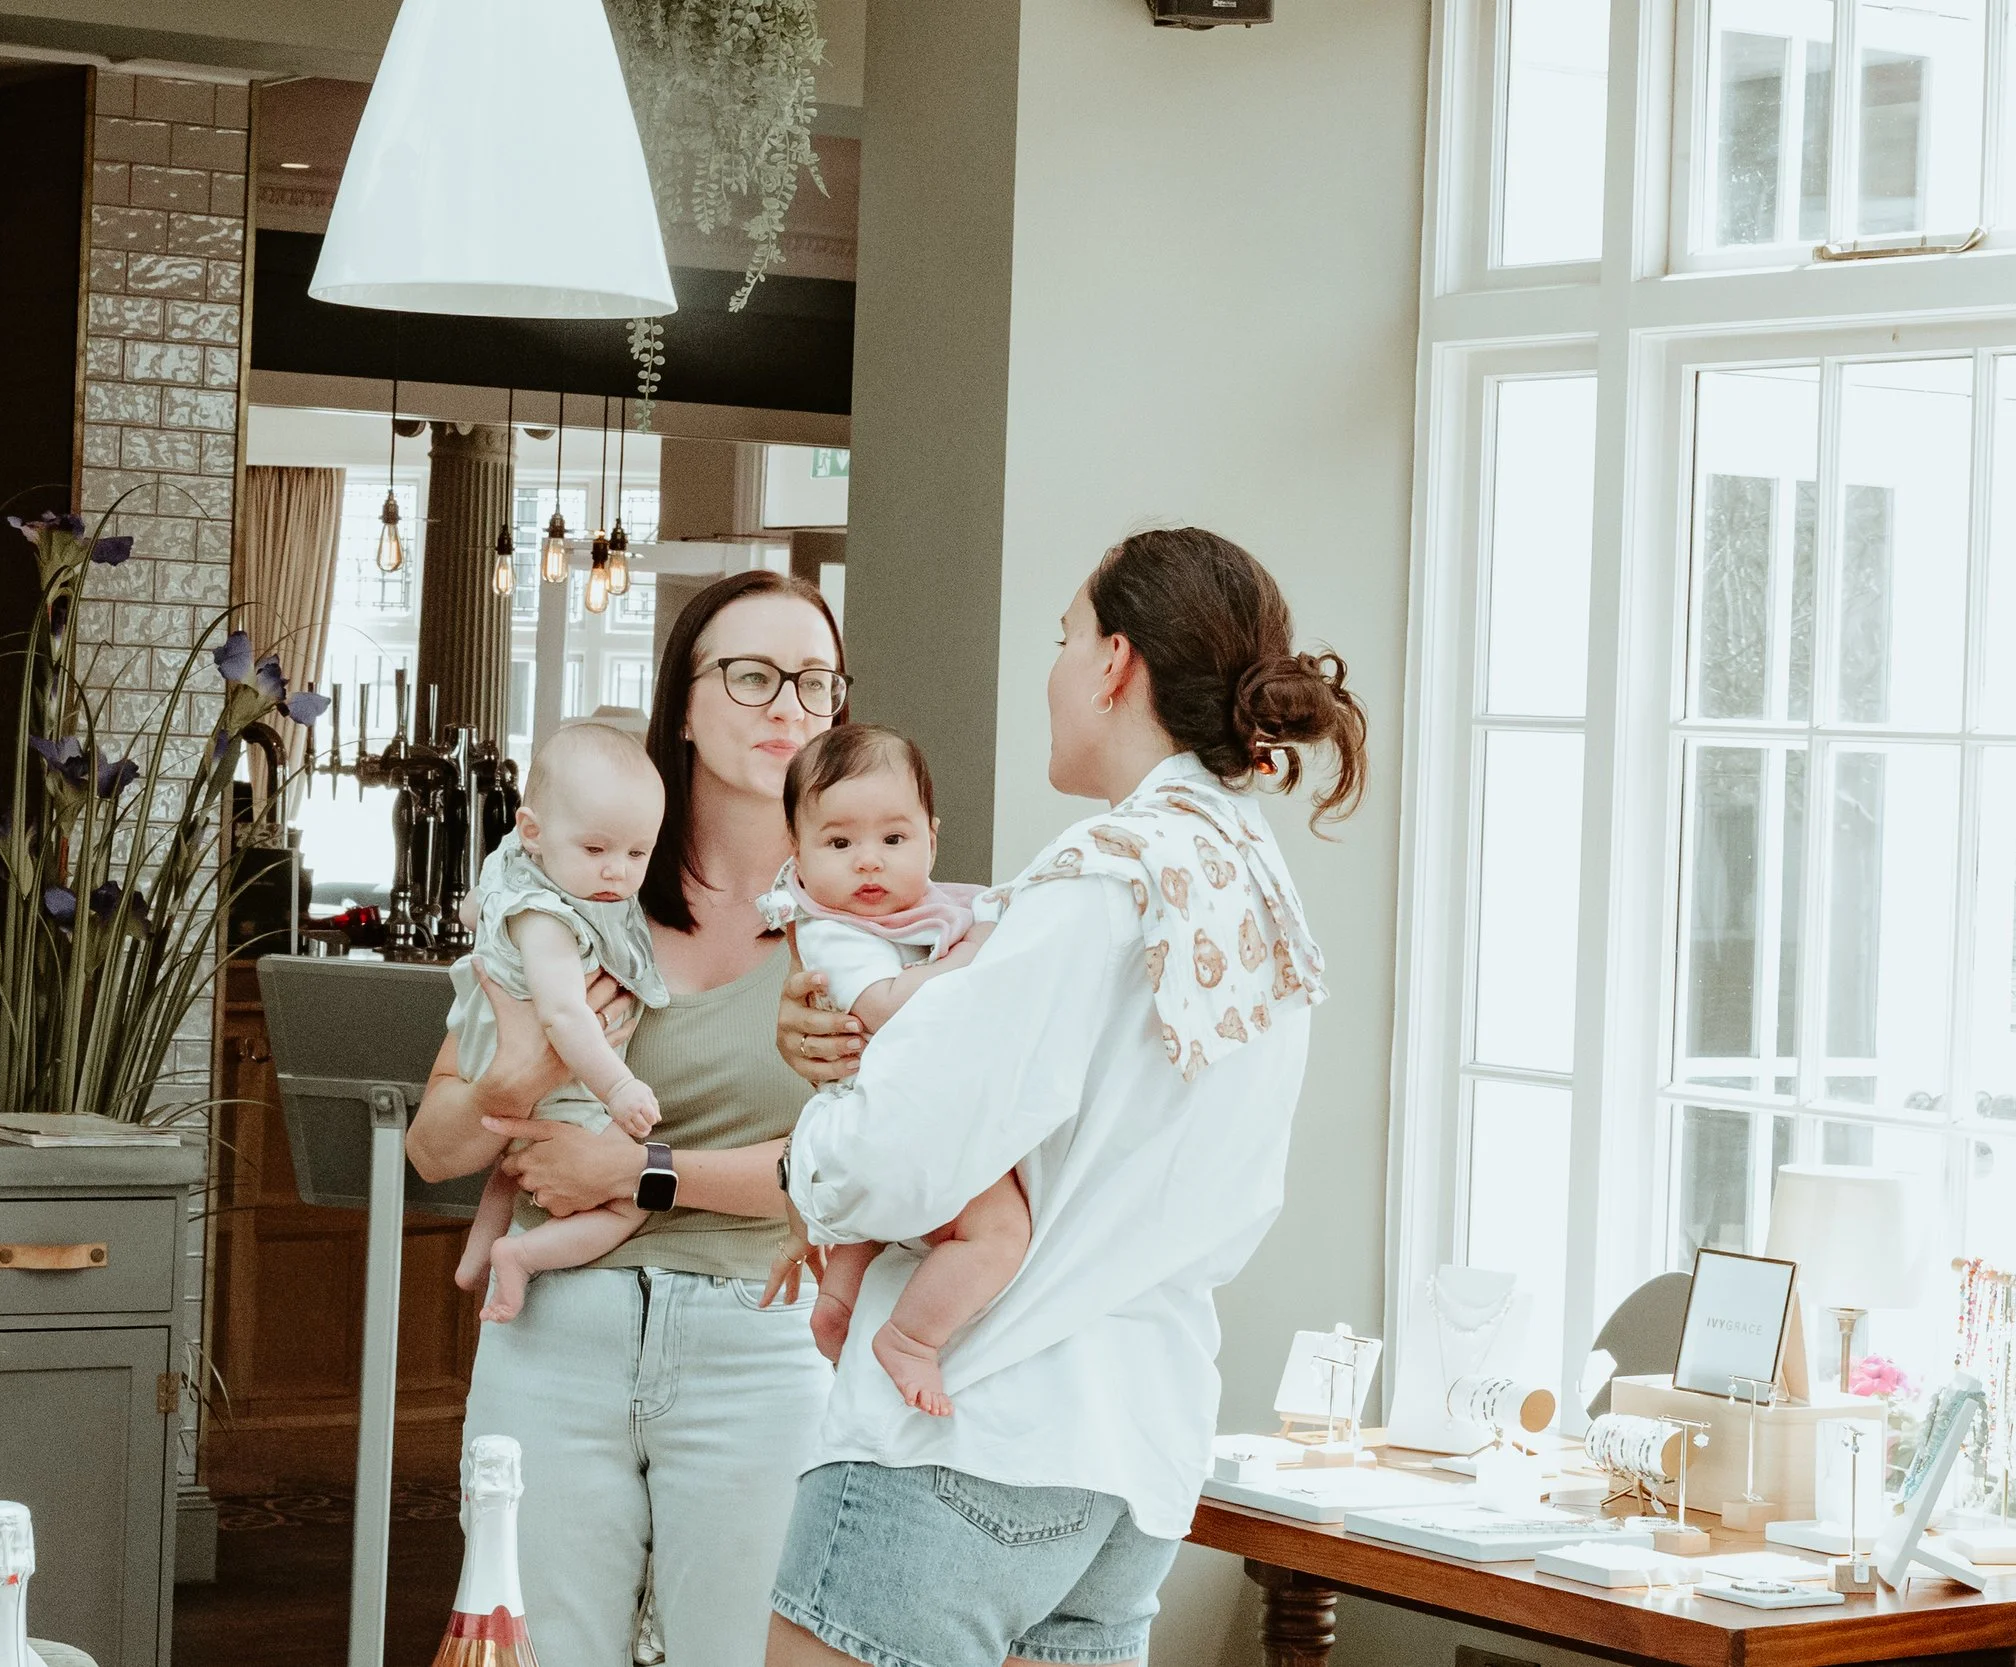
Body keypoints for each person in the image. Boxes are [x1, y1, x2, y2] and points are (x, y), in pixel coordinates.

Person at [767, 527, 1368, 1667]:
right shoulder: (1257, 885)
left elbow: (898, 1152)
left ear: (1113, 664)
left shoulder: (1097, 880)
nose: (1053, 667)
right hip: (1133, 1462)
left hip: (973, 1435)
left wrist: (810, 1150)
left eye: (1062, 637)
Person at [406, 571, 848, 1667]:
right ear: (682, 705)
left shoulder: (855, 913)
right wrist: (524, 1071)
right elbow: (434, 1148)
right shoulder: (568, 890)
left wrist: (637, 1168)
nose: (786, 703)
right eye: (751, 675)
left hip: (759, 1338)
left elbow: (849, 1164)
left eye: (815, 681)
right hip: (557, 1334)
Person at [755, 724, 1017, 1416]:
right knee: (998, 1232)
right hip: (886, 1119)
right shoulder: (833, 932)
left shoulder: (931, 914)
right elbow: (886, 1005)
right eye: (840, 843)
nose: (868, 862)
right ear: (799, 855)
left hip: (888, 1120)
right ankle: (911, 1336)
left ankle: (838, 1303)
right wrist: (972, 957)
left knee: (875, 1218)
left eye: (893, 840)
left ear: (931, 838)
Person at [449, 721, 670, 1325]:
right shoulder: (548, 918)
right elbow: (565, 1015)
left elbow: (473, 907)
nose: (616, 875)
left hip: (497, 1063)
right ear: (534, 831)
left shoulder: (517, 866)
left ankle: (475, 1262)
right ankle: (523, 1255)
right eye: (595, 850)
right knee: (638, 1192)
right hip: (545, 1066)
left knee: (514, 1162)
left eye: (636, 853)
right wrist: (619, 1088)